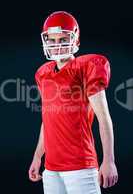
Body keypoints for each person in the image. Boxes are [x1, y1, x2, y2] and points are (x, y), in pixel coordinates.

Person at [28, 11, 118, 194]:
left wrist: (109, 160)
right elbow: (48, 121)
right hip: (51, 169)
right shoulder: (43, 73)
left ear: (75, 40)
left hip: (80, 167)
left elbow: (104, 118)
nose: (57, 46)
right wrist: (38, 157)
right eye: (52, 40)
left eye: (62, 40)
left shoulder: (86, 68)